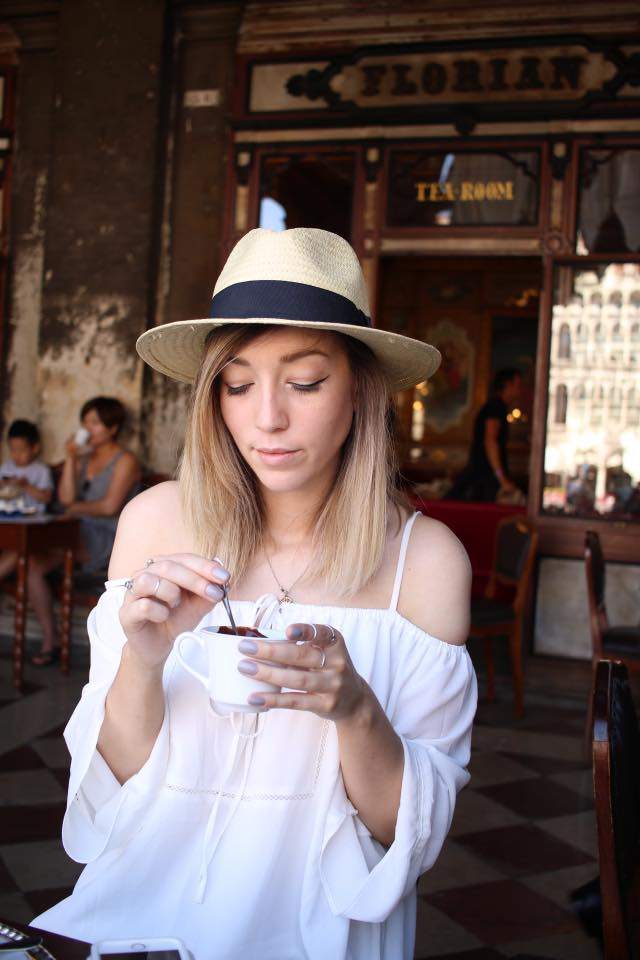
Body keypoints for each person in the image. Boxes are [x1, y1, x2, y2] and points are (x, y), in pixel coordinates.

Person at [32, 228, 477, 959]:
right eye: (238, 385)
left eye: (304, 382)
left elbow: (408, 834)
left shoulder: (422, 562)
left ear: (361, 388)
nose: (266, 417)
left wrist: (355, 708)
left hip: (313, 927)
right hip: (143, 909)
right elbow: (116, 775)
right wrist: (143, 659)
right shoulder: (155, 522)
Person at [29, 396, 141, 666]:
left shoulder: (125, 460)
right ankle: (50, 640)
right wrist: (70, 459)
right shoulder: (83, 458)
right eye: (85, 422)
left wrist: (72, 509)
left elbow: (108, 506)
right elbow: (66, 497)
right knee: (31, 564)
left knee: (40, 542)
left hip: (107, 539)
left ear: (112, 428)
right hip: (75, 532)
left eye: (94, 423)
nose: (87, 428)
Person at [447, 367, 523, 502]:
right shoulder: (495, 407)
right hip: (484, 478)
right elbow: (490, 441)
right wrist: (502, 479)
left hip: (484, 476)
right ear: (507, 385)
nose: (520, 390)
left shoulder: (498, 407)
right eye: (517, 385)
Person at [0, 419, 53, 581]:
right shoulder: (7, 468)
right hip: (7, 521)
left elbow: (46, 498)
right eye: (13, 450)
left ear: (35, 448)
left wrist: (26, 486)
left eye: (21, 450)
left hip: (32, 526)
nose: (16, 455)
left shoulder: (41, 471)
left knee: (18, 550)